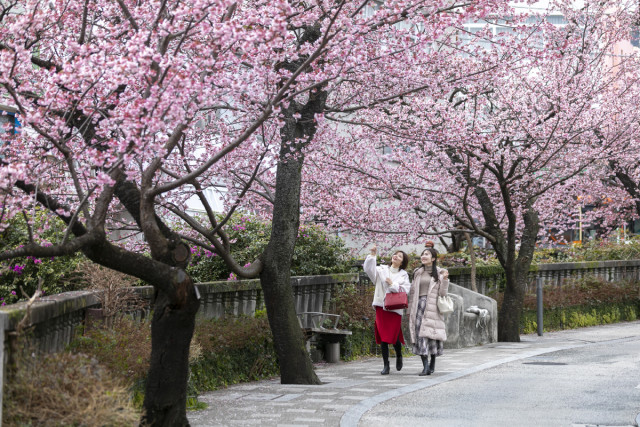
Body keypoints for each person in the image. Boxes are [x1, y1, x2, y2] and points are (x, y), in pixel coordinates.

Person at [363, 244, 411, 375]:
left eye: (400, 256)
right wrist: (372, 255)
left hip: (394, 310)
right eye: (396, 254)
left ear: (402, 262)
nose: (396, 256)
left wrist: (392, 284)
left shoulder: (403, 275)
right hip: (381, 307)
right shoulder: (381, 270)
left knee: (393, 335)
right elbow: (368, 269)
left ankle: (399, 354)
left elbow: (405, 290)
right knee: (384, 337)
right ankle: (386, 365)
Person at [408, 247, 449, 376]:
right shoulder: (417, 272)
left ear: (433, 258)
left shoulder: (440, 273)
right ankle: (425, 366)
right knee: (420, 336)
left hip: (432, 308)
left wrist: (445, 279)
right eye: (422, 254)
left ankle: (432, 362)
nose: (423, 256)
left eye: (427, 254)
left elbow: (443, 293)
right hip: (418, 307)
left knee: (431, 336)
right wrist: (409, 310)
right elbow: (413, 292)